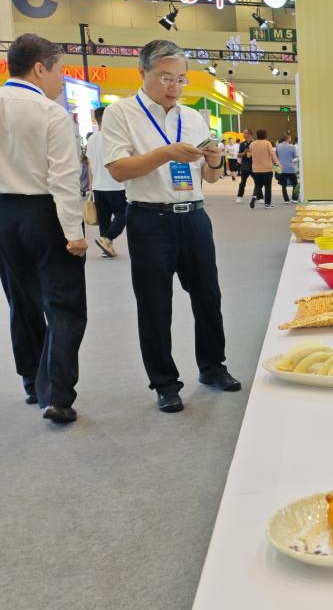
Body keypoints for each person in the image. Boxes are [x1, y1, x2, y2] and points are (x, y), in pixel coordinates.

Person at [103, 39, 241, 412]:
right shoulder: (121, 113)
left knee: (209, 297)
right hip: (150, 219)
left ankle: (213, 367)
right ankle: (165, 383)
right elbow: (118, 170)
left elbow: (209, 178)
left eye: (181, 79)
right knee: (154, 305)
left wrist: (214, 159)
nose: (174, 87)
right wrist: (166, 152)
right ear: (143, 72)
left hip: (194, 217)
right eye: (166, 77)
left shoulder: (192, 117)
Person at [0, 34, 88, 423]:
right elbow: (63, 180)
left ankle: (30, 381)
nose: (62, 80)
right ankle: (57, 396)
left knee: (21, 301)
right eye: (60, 71)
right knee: (64, 304)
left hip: (3, 214)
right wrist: (74, 233)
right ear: (40, 68)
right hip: (44, 213)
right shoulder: (51, 113)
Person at [86, 106, 127, 258]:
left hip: (98, 186)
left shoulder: (92, 139)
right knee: (124, 214)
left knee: (104, 219)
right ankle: (107, 239)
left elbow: (89, 163)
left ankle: (107, 246)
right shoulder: (115, 138)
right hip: (116, 185)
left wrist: (91, 184)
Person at [248, 129, 280, 209]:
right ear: (265, 135)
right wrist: (278, 163)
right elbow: (272, 155)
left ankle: (254, 197)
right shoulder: (267, 143)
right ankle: (267, 204)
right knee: (267, 187)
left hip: (256, 169)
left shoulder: (252, 144)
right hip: (267, 169)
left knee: (258, 186)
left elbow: (248, 155)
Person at [275, 133, 298, 204]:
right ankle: (294, 198)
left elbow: (276, 156)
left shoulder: (278, 146)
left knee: (283, 185)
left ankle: (286, 200)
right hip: (290, 168)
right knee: (295, 184)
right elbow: (294, 156)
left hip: (282, 168)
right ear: (288, 139)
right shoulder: (292, 147)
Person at [235, 128, 253, 202]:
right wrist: (244, 152)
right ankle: (239, 196)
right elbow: (239, 155)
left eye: (245, 133)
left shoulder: (255, 143)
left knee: (258, 182)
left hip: (254, 165)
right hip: (245, 165)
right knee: (242, 182)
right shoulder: (242, 144)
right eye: (243, 133)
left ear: (249, 134)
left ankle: (259, 197)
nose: (243, 134)